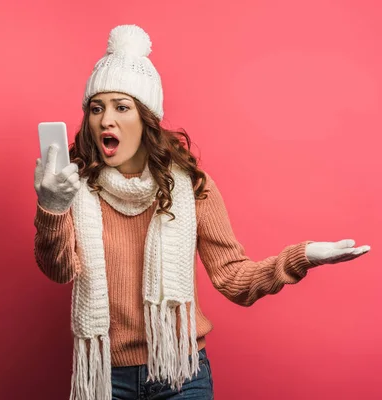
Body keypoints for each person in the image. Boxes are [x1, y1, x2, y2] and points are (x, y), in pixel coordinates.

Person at [32, 24, 370, 400]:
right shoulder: (74, 190)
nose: (105, 120)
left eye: (121, 107)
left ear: (146, 120)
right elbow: (59, 271)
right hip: (106, 377)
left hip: (182, 374)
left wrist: (302, 257)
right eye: (96, 109)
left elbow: (233, 278)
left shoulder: (192, 187)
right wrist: (52, 206)